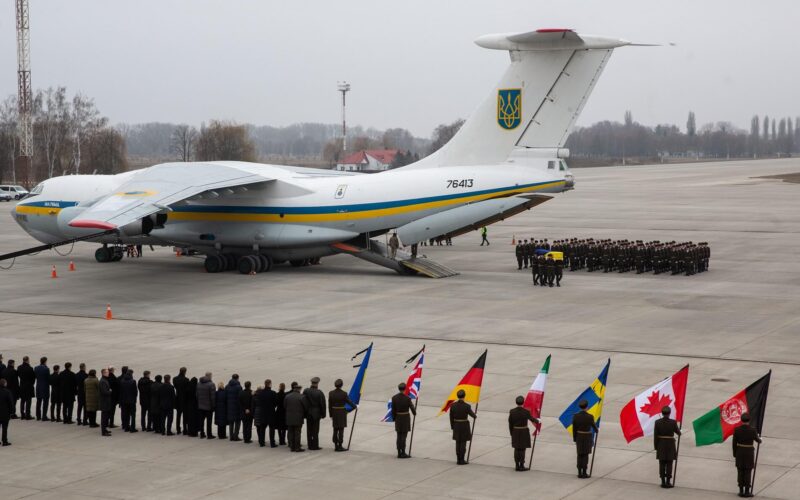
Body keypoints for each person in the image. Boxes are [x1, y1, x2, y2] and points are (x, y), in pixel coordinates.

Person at [733, 412, 762, 498]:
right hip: (749, 453)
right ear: (749, 420)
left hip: (739, 452)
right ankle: (747, 491)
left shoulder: (737, 430)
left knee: (740, 471)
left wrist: (735, 454)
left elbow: (734, 443)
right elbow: (758, 441)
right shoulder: (752, 430)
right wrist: (760, 438)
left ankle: (741, 491)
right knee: (748, 471)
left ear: (741, 420)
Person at [509, 395, 540, 471]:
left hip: (515, 431)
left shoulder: (512, 411)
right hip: (523, 432)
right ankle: (522, 465)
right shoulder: (526, 412)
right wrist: (538, 420)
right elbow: (532, 419)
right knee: (522, 449)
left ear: (516, 402)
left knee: (516, 449)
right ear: (523, 402)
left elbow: (510, 423)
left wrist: (511, 433)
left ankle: (517, 465)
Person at [654, 405, 681, 488]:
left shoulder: (657, 422)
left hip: (661, 445)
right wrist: (679, 430)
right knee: (669, 463)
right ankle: (668, 482)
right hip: (670, 445)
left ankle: (662, 482)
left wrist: (656, 447)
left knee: (662, 463)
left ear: (662, 413)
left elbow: (655, 436)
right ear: (669, 413)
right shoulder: (673, 422)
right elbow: (678, 433)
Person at [571, 399, 598, 478]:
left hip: (579, 436)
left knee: (579, 454)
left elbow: (574, 429)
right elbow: (594, 427)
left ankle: (579, 472)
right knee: (585, 455)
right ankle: (584, 472)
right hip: (587, 437)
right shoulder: (590, 417)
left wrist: (575, 438)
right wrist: (597, 429)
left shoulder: (575, 416)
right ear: (587, 407)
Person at [449, 389, 477, 465]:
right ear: (464, 396)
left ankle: (458, 459)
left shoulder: (453, 405)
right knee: (463, 444)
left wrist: (452, 427)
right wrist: (475, 416)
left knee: (457, 443)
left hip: (456, 426)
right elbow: (473, 415)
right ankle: (462, 460)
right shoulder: (467, 406)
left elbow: (451, 417)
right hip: (464, 426)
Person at [329, 378, 355, 452]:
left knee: (335, 429)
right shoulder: (344, 393)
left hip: (334, 412)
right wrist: (354, 406)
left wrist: (331, 415)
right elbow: (349, 402)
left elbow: (330, 405)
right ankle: (340, 445)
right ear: (341, 385)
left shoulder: (331, 393)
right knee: (341, 430)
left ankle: (335, 445)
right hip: (341, 413)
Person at [390, 382, 415, 458]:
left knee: (398, 435)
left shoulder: (394, 398)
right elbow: (412, 409)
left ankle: (398, 452)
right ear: (405, 389)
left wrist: (394, 418)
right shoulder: (407, 398)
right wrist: (414, 413)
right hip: (405, 419)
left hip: (398, 418)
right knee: (404, 436)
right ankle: (403, 452)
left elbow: (393, 410)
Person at [303, 377, 326, 450]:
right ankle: (315, 445)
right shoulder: (319, 392)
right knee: (315, 430)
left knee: (309, 430)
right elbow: (323, 404)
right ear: (317, 384)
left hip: (308, 413)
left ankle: (310, 445)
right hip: (316, 413)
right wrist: (323, 414)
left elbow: (303, 401)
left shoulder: (306, 391)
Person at [284, 381, 307, 452]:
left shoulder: (287, 396)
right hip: (298, 418)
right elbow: (305, 407)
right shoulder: (302, 397)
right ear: (299, 389)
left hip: (289, 418)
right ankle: (297, 447)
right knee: (297, 433)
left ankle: (292, 447)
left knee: (290, 432)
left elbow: (284, 406)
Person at [260, 379, 278, 447]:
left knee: (262, 428)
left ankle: (261, 442)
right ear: (270, 384)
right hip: (271, 412)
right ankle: (272, 443)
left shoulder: (261, 393)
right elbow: (276, 403)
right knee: (272, 428)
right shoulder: (273, 393)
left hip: (263, 412)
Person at [196, 373, 215, 439]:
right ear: (209, 376)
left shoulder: (198, 383)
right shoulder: (211, 384)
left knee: (201, 421)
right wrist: (213, 406)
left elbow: (197, 395)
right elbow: (213, 397)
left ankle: (202, 433)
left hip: (200, 405)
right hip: (208, 406)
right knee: (209, 422)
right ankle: (209, 434)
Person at [225, 374, 243, 441]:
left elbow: (225, 396)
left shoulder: (227, 386)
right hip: (237, 407)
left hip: (229, 406)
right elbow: (240, 397)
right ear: (237, 378)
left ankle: (231, 436)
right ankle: (236, 436)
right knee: (237, 422)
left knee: (231, 422)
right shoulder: (239, 387)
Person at [17, 356, 35, 420]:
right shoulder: (30, 368)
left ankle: (22, 415)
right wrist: (31, 383)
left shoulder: (19, 367)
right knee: (28, 401)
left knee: (22, 400)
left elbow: (18, 375)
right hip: (28, 386)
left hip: (22, 385)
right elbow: (33, 378)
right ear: (27, 360)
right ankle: (27, 415)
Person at [34, 357, 50, 421]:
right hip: (45, 387)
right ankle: (44, 416)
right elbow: (48, 378)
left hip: (38, 386)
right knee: (45, 402)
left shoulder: (36, 368)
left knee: (38, 402)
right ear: (45, 361)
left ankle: (38, 416)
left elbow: (35, 376)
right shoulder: (46, 369)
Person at [173, 367, 188, 435]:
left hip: (178, 398)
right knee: (185, 415)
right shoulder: (186, 380)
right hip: (184, 399)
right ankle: (185, 429)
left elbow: (175, 387)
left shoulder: (175, 379)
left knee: (178, 415)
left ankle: (178, 429)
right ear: (185, 372)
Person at [99, 368, 113, 436]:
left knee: (106, 416)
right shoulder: (103, 381)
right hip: (104, 402)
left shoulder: (104, 380)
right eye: (107, 372)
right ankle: (103, 431)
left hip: (106, 402)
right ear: (103, 373)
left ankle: (105, 429)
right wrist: (110, 391)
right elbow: (104, 392)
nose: (108, 373)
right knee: (104, 417)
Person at [0, 378, 13, 445]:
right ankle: (4, 441)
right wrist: (11, 411)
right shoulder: (7, 392)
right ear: (5, 384)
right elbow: (10, 403)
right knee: (4, 428)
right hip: (5, 413)